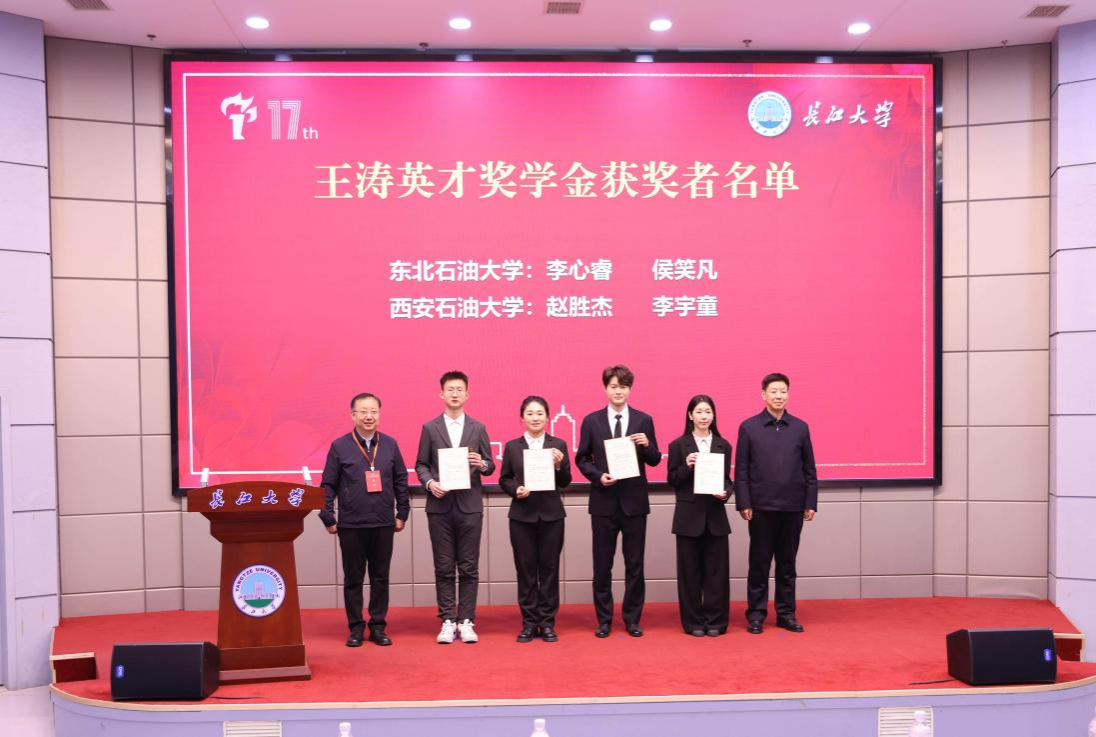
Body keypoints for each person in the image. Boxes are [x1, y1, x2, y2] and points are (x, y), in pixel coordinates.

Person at [575, 364, 661, 638]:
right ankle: (604, 620)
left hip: (634, 503)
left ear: (630, 389)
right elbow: (581, 459)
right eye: (613, 386)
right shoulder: (592, 421)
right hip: (604, 501)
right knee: (602, 565)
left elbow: (655, 460)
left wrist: (647, 445)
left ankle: (632, 619)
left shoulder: (643, 420)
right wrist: (598, 476)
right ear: (605, 389)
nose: (618, 391)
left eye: (623, 387)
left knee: (635, 565)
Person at [320, 392, 409, 648]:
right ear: (353, 415)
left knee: (380, 578)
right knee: (353, 579)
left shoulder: (390, 444)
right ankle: (356, 628)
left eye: (374, 411)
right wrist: (328, 516)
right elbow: (328, 484)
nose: (369, 416)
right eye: (363, 411)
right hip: (351, 525)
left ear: (379, 414)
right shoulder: (340, 446)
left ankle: (378, 627)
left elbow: (401, 480)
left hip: (383, 522)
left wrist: (402, 513)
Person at [415, 370, 495, 644]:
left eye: (459, 389)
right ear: (441, 394)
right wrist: (430, 483)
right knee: (444, 566)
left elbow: (490, 465)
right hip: (440, 506)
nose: (455, 394)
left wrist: (481, 464)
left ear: (467, 394)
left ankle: (467, 620)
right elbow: (421, 464)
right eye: (450, 389)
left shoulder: (478, 428)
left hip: (469, 506)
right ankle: (448, 620)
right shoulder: (430, 428)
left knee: (469, 567)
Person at [735, 372, 818, 634]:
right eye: (774, 391)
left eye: (783, 391)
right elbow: (742, 470)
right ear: (763, 394)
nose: (779, 396)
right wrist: (744, 502)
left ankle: (786, 614)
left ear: (788, 394)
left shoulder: (800, 428)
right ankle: (756, 615)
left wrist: (810, 502)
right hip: (760, 507)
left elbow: (809, 469)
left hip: (793, 506)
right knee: (759, 564)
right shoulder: (749, 427)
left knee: (787, 564)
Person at [498, 396, 572, 643]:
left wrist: (559, 465)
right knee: (526, 571)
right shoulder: (512, 447)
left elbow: (565, 482)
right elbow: (504, 479)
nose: (535, 418)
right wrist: (515, 489)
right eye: (530, 413)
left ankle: (547, 623)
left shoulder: (558, 445)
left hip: (552, 516)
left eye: (540, 413)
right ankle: (529, 623)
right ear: (522, 418)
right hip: (522, 516)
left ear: (548, 417)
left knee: (549, 570)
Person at [666, 394, 732, 637]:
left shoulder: (723, 445)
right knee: (689, 573)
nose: (704, 416)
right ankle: (693, 622)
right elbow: (672, 480)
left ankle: (716, 621)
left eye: (708, 412)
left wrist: (726, 492)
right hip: (688, 517)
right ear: (690, 415)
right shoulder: (677, 445)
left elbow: (727, 480)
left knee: (717, 574)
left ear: (713, 415)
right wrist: (686, 466)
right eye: (699, 412)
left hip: (715, 517)